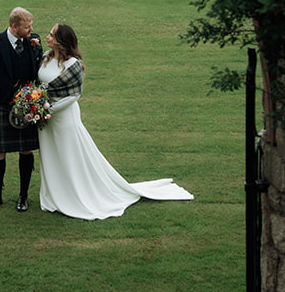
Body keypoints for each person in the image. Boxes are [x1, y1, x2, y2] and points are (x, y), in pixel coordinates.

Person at [36, 22, 194, 220]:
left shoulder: (73, 65)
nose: (47, 37)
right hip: (45, 120)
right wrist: (37, 107)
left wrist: (49, 109)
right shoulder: (44, 58)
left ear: (61, 41)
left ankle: (74, 195)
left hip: (62, 118)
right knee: (51, 156)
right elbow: (39, 86)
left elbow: (73, 96)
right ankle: (53, 195)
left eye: (51, 35)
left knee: (69, 155)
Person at [0, 6, 43, 211]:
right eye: (27, 27)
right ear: (14, 27)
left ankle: (23, 197)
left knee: (26, 150)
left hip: (26, 106)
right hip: (0, 106)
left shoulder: (34, 41)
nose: (31, 30)